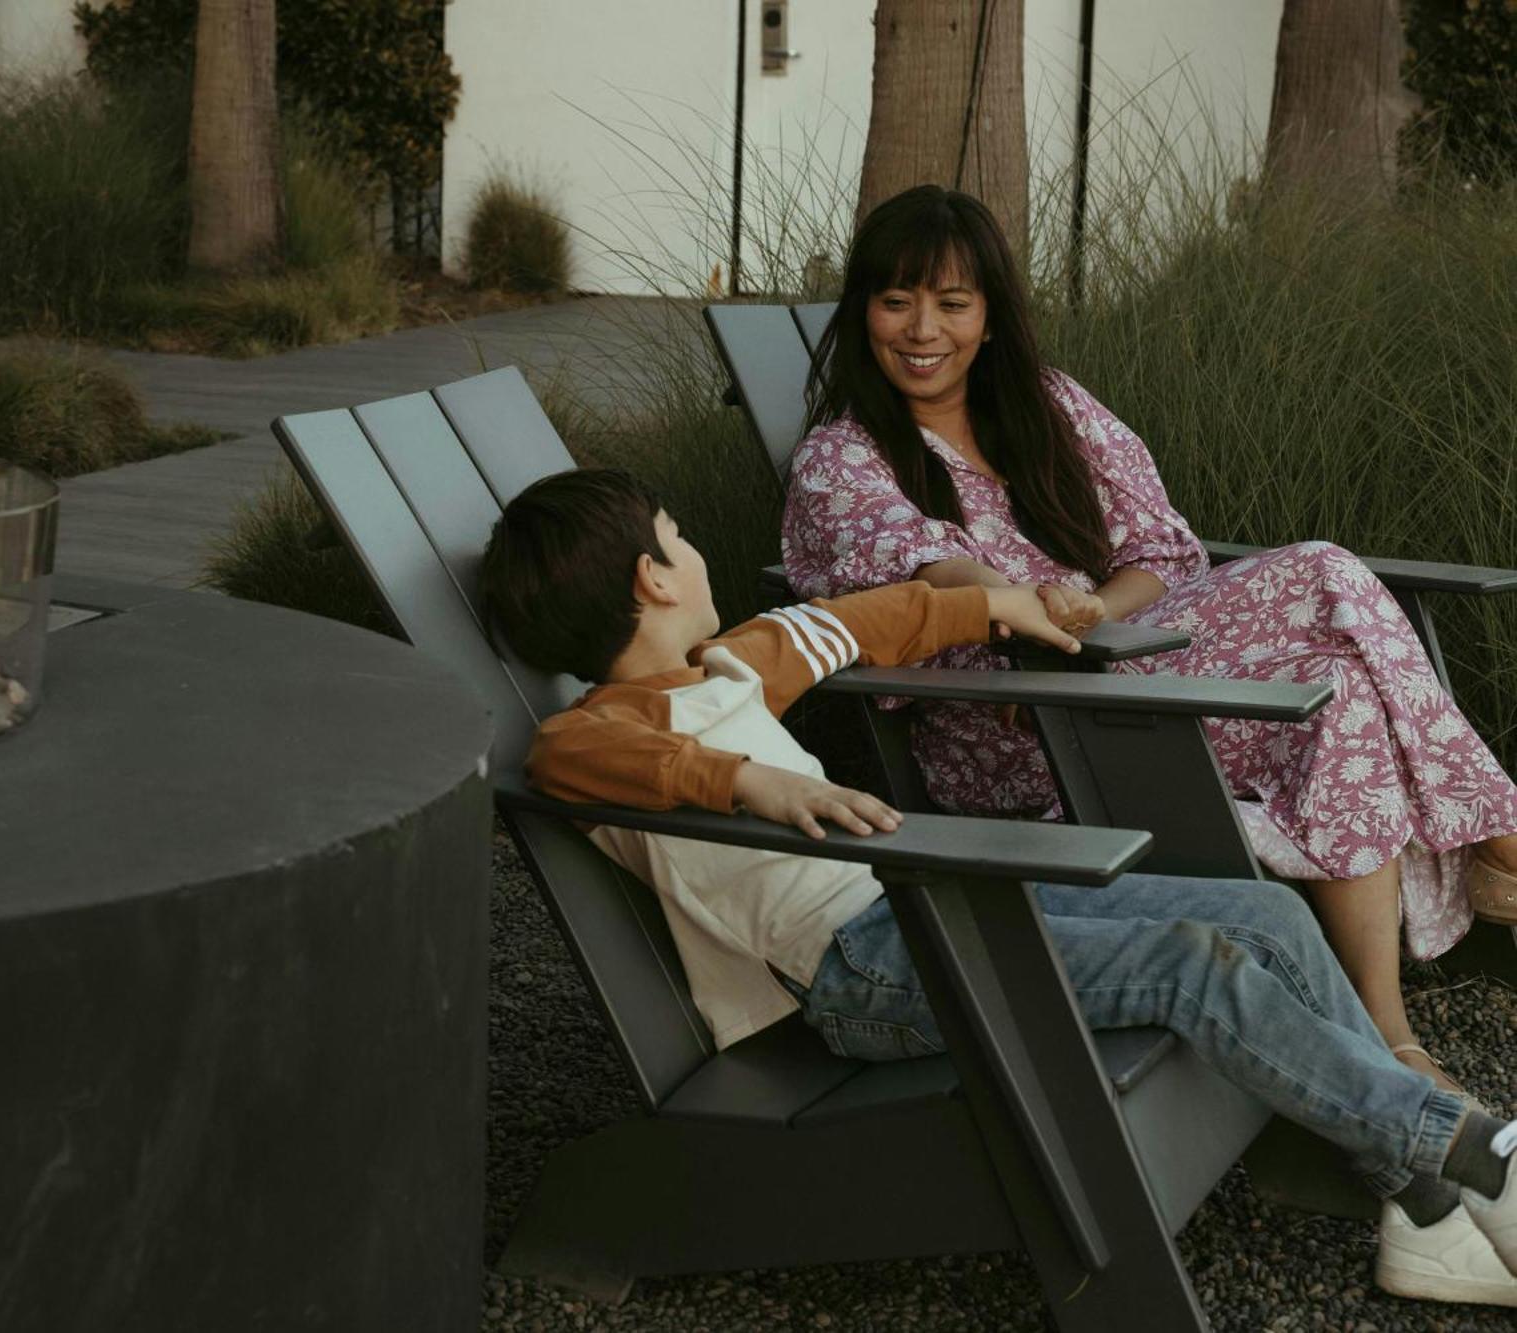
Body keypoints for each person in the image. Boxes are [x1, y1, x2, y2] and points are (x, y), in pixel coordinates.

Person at [481, 465, 1517, 1308]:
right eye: (675, 534)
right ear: (653, 579)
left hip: (921, 906)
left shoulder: (731, 665)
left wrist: (991, 604)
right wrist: (740, 779)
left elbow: (870, 621)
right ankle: (1470, 1155)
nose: (691, 550)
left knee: (1261, 910)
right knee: (1190, 966)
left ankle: (1419, 1207)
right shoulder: (593, 732)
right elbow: (566, 763)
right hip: (860, 971)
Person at [779, 184, 1517, 1098]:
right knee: (1323, 567)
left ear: (992, 318)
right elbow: (929, 575)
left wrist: (1090, 607)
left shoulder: (1050, 405)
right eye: (896, 301)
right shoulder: (841, 460)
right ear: (863, 313)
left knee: (1336, 680)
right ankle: (1497, 838)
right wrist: (1023, 604)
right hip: (1012, 730)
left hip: (1122, 667)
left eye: (952, 303)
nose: (922, 329)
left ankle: (1387, 1032)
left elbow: (1162, 548)